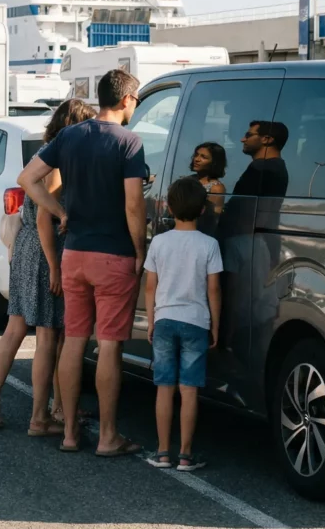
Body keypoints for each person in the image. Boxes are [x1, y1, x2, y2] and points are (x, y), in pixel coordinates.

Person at [18, 68, 146, 457]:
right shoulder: (130, 143)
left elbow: (28, 178)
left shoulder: (69, 136)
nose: (135, 106)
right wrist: (140, 249)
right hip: (113, 255)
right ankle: (108, 437)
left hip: (74, 254)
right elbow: (133, 204)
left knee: (73, 340)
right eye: (136, 100)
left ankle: (70, 433)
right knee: (108, 345)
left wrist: (59, 212)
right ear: (125, 100)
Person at [0, 100, 95, 434]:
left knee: (14, 329)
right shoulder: (57, 160)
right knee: (47, 335)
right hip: (47, 251)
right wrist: (55, 267)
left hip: (26, 248)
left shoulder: (43, 152)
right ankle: (40, 417)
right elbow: (46, 216)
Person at [143, 177, 222, 471]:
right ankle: (186, 454)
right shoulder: (210, 245)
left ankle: (163, 452)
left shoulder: (160, 243)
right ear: (203, 210)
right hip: (196, 321)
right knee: (189, 390)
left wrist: (151, 321)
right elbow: (213, 289)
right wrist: (214, 324)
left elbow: (151, 287)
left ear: (170, 208)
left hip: (164, 319)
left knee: (164, 388)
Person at [232, 120, 289, 197]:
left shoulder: (259, 167)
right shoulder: (278, 166)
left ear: (267, 139)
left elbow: (239, 205)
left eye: (248, 135)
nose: (243, 140)